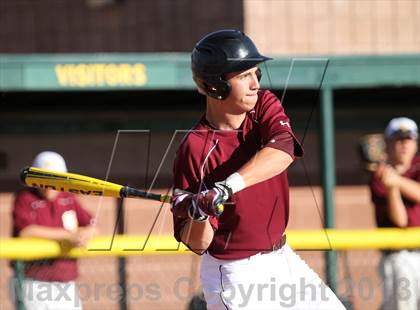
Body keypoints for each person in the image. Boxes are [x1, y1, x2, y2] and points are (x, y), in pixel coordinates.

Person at [170, 29, 345, 309]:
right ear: (216, 86)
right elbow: (199, 243)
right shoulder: (194, 148)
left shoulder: (263, 105)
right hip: (236, 275)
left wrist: (225, 187)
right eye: (243, 76)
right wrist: (199, 212)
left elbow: (283, 151)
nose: (255, 84)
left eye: (256, 73)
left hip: (282, 258)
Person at [12, 151, 96, 310]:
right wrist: (69, 235)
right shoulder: (25, 198)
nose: (49, 186)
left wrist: (86, 233)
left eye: (55, 180)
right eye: (43, 180)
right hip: (33, 280)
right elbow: (26, 231)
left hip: (65, 279)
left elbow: (91, 224)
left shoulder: (68, 197)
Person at [369, 117, 420, 310]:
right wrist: (391, 188)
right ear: (388, 144)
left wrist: (397, 181)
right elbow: (400, 221)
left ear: (415, 143)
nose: (404, 144)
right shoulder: (379, 176)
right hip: (398, 257)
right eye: (398, 139)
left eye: (409, 139)